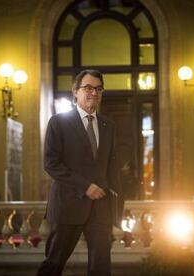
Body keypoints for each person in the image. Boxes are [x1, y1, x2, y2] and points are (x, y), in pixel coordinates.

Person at [37, 69, 122, 276]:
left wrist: (117, 210)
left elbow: (112, 169)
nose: (94, 93)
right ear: (75, 91)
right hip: (68, 205)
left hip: (100, 208)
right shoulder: (58, 123)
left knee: (101, 268)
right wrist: (85, 187)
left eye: (99, 89)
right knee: (54, 264)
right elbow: (51, 163)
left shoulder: (108, 125)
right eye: (88, 88)